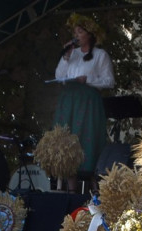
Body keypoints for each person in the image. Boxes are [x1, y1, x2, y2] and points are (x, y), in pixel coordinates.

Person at [52, 13, 115, 191]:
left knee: (88, 139)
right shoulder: (70, 54)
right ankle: (71, 189)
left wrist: (87, 80)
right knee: (68, 142)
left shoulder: (101, 55)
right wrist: (66, 57)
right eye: (75, 32)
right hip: (69, 101)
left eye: (80, 32)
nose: (76, 35)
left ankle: (94, 189)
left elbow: (109, 81)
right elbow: (59, 76)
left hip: (88, 102)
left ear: (90, 35)